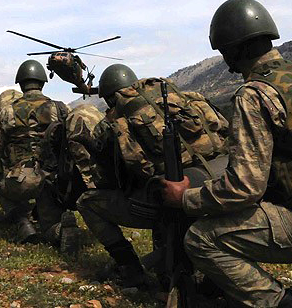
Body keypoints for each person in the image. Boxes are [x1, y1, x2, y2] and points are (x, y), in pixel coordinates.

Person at [162, 0, 292, 307]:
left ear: (231, 50)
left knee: (201, 239)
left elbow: (244, 187)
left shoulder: (253, 94)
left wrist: (184, 198)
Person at [77, 64, 229, 287]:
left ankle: (130, 268)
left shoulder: (117, 123)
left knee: (88, 203)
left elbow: (116, 180)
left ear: (111, 98)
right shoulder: (183, 99)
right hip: (222, 179)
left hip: (179, 194)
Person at [0, 60, 79, 249]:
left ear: (20, 84)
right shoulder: (60, 108)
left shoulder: (8, 112)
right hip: (53, 180)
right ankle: (60, 229)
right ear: (43, 83)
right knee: (49, 224)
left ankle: (23, 223)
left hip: (22, 181)